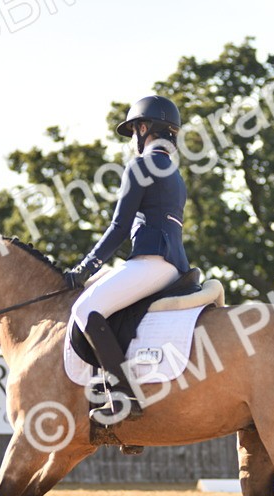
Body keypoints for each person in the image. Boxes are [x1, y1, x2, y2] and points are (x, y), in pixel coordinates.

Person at [66, 95, 190, 423]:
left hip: (151, 261)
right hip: (174, 264)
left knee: (85, 309)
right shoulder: (175, 174)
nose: (133, 137)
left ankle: (124, 397)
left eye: (134, 130)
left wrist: (86, 267)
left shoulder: (141, 166)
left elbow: (119, 227)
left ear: (144, 128)